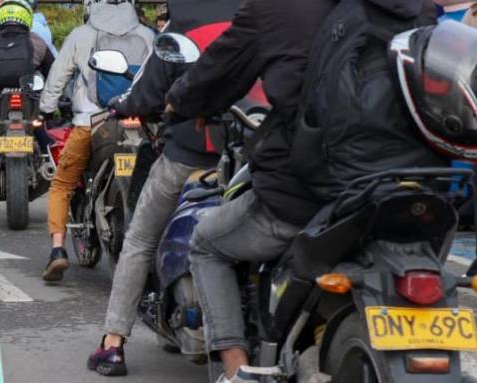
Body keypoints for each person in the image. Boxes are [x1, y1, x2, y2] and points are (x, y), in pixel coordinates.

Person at [164, 0, 441, 381]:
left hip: (309, 192)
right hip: (411, 190)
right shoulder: (419, 8)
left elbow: (217, 71)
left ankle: (235, 371)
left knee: (207, 244)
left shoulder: (278, 7)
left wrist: (178, 103)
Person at [84, 0, 241, 374]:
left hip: (189, 155)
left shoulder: (182, 26)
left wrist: (123, 105)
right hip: (248, 153)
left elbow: (148, 92)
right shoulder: (259, 17)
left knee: (139, 240)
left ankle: (113, 343)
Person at [38, 0, 154, 282]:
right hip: (141, 123)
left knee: (62, 184)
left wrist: (46, 108)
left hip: (90, 123)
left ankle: (57, 251)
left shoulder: (81, 35)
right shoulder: (148, 35)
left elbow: (58, 75)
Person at [0, 0, 55, 186]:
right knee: (40, 127)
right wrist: (56, 103)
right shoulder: (38, 42)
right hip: (30, 98)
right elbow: (54, 74)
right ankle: (50, 161)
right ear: (27, 17)